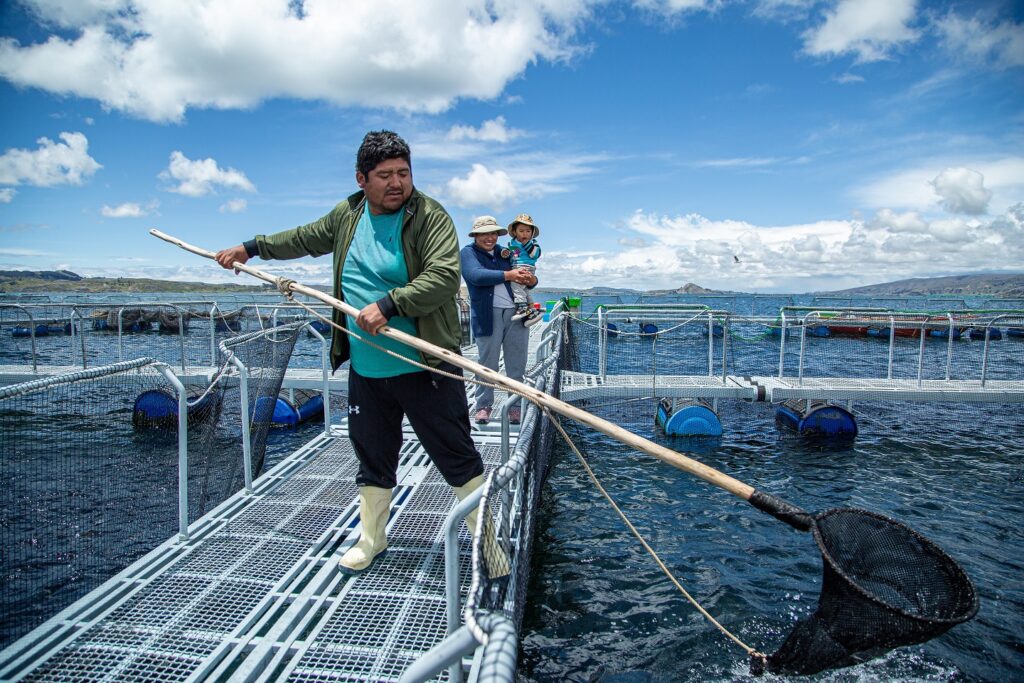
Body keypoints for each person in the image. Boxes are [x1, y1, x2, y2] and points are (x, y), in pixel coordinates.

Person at [214, 130, 503, 577]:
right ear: (361, 179)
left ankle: (487, 543)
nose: (396, 183)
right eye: (384, 175)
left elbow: (445, 277)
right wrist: (250, 249)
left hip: (425, 365)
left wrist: (390, 305)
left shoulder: (430, 215)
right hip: (367, 368)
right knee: (372, 456)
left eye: (403, 173)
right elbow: (304, 237)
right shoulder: (348, 214)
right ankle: (372, 539)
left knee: (456, 454)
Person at [460, 215, 537, 425]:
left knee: (517, 362)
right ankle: (483, 405)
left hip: (516, 313)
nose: (490, 237)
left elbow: (526, 277)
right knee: (487, 364)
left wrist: (532, 279)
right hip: (487, 315)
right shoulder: (468, 253)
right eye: (485, 233)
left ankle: (514, 406)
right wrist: (508, 275)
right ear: (475, 235)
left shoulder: (506, 252)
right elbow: (475, 275)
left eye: (493, 233)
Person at [503, 213, 543, 327]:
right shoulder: (513, 244)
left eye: (528, 231)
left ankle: (522, 308)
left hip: (526, 267)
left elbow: (535, 255)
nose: (525, 234)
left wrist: (526, 244)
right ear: (515, 232)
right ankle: (531, 310)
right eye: (521, 231)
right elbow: (510, 254)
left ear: (532, 233)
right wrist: (505, 253)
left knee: (515, 284)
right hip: (516, 266)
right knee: (524, 289)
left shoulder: (533, 244)